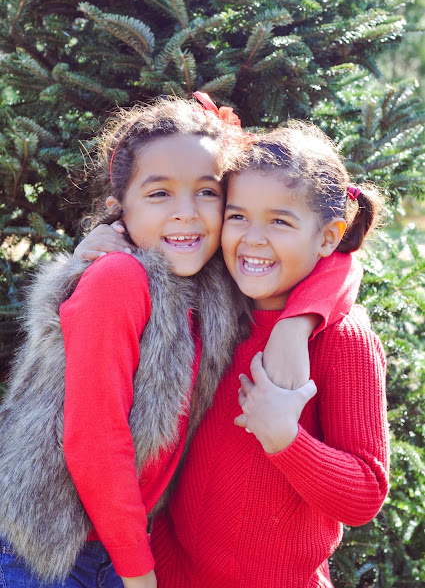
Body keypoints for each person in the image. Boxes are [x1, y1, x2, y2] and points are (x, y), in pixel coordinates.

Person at [0, 96, 360, 588]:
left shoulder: (219, 274)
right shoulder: (120, 278)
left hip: (114, 545)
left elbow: (337, 252)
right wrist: (140, 572)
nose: (187, 214)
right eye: (159, 194)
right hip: (45, 549)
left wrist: (298, 324)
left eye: (207, 193)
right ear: (118, 211)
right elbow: (95, 441)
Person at [149, 122, 390, 587]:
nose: (253, 239)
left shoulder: (342, 340)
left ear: (327, 237)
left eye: (279, 221)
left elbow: (364, 495)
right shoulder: (211, 301)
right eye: (238, 217)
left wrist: (284, 437)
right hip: (172, 573)